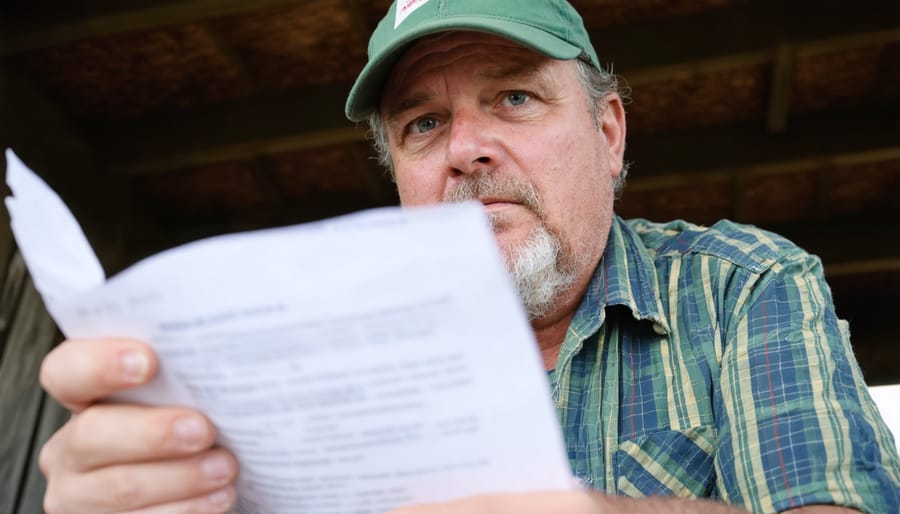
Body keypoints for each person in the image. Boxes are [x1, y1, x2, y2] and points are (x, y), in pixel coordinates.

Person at [36, 0, 899, 513]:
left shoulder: (739, 285)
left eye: (515, 96)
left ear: (607, 135)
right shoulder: (305, 348)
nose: (467, 148)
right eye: (424, 124)